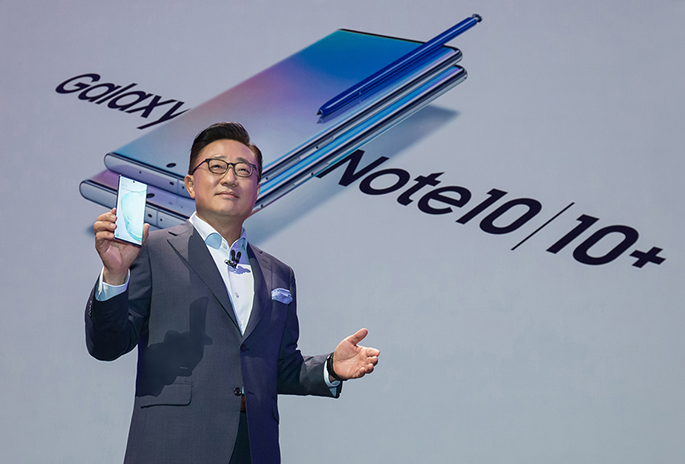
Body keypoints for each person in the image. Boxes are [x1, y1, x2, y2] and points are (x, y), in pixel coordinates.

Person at [86, 122, 380, 464]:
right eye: (216, 166)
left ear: (257, 189)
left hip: (252, 449)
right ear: (190, 183)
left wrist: (330, 367)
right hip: (172, 445)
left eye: (243, 170)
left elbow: (279, 367)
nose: (230, 178)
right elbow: (106, 345)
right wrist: (115, 274)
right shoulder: (153, 250)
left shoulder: (279, 274)